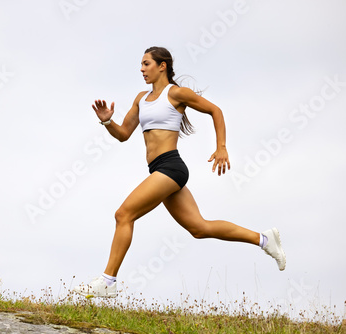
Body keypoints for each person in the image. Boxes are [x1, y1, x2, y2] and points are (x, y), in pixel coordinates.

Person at [73, 46, 286, 298]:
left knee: (123, 214)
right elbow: (123, 135)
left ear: (162, 66)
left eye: (146, 64)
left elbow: (215, 111)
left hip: (171, 167)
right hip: (159, 170)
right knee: (199, 228)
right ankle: (264, 239)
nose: (141, 69)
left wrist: (222, 147)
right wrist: (108, 121)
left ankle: (107, 282)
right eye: (141, 65)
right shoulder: (141, 99)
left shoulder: (177, 94)